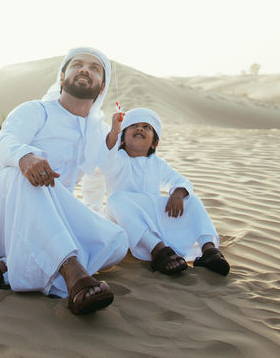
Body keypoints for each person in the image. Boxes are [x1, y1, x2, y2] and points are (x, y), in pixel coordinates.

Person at [0, 47, 128, 315]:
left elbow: (109, 169)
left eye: (94, 68)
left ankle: (2, 268)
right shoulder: (36, 110)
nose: (84, 69)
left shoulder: (97, 132)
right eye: (77, 64)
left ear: (102, 86)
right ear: (61, 77)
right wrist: (25, 157)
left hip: (43, 225)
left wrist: (115, 137)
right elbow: (4, 143)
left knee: (116, 243)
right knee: (25, 177)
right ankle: (72, 272)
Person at [96, 107, 230, 277]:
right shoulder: (119, 159)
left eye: (146, 127)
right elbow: (104, 162)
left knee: (192, 200)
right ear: (122, 140)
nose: (140, 129)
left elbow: (181, 181)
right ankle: (158, 251)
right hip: (125, 220)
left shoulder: (157, 164)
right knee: (116, 200)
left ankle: (209, 250)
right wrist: (114, 132)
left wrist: (178, 193)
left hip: (153, 215)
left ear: (154, 143)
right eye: (134, 126)